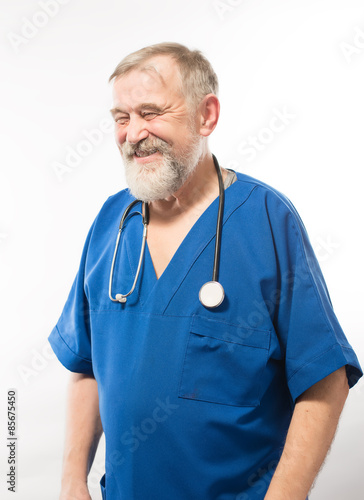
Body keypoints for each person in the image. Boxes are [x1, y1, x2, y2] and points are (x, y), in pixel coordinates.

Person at [49, 42, 362, 500]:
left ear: (206, 115)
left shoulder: (266, 221)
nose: (133, 133)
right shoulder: (110, 225)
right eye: (121, 117)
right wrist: (71, 480)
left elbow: (326, 379)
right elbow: (85, 363)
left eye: (150, 112)